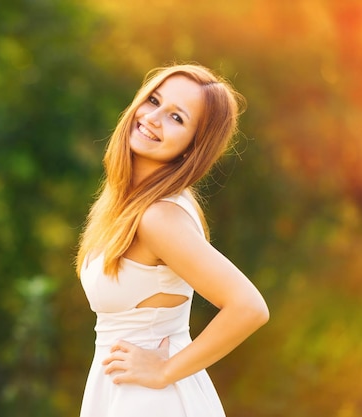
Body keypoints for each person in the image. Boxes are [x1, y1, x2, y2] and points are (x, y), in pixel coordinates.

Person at [75, 63, 269, 417]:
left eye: (177, 118)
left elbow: (249, 307)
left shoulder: (159, 217)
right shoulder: (130, 203)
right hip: (123, 392)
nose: (152, 117)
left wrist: (164, 370)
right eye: (153, 100)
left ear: (193, 146)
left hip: (150, 401)